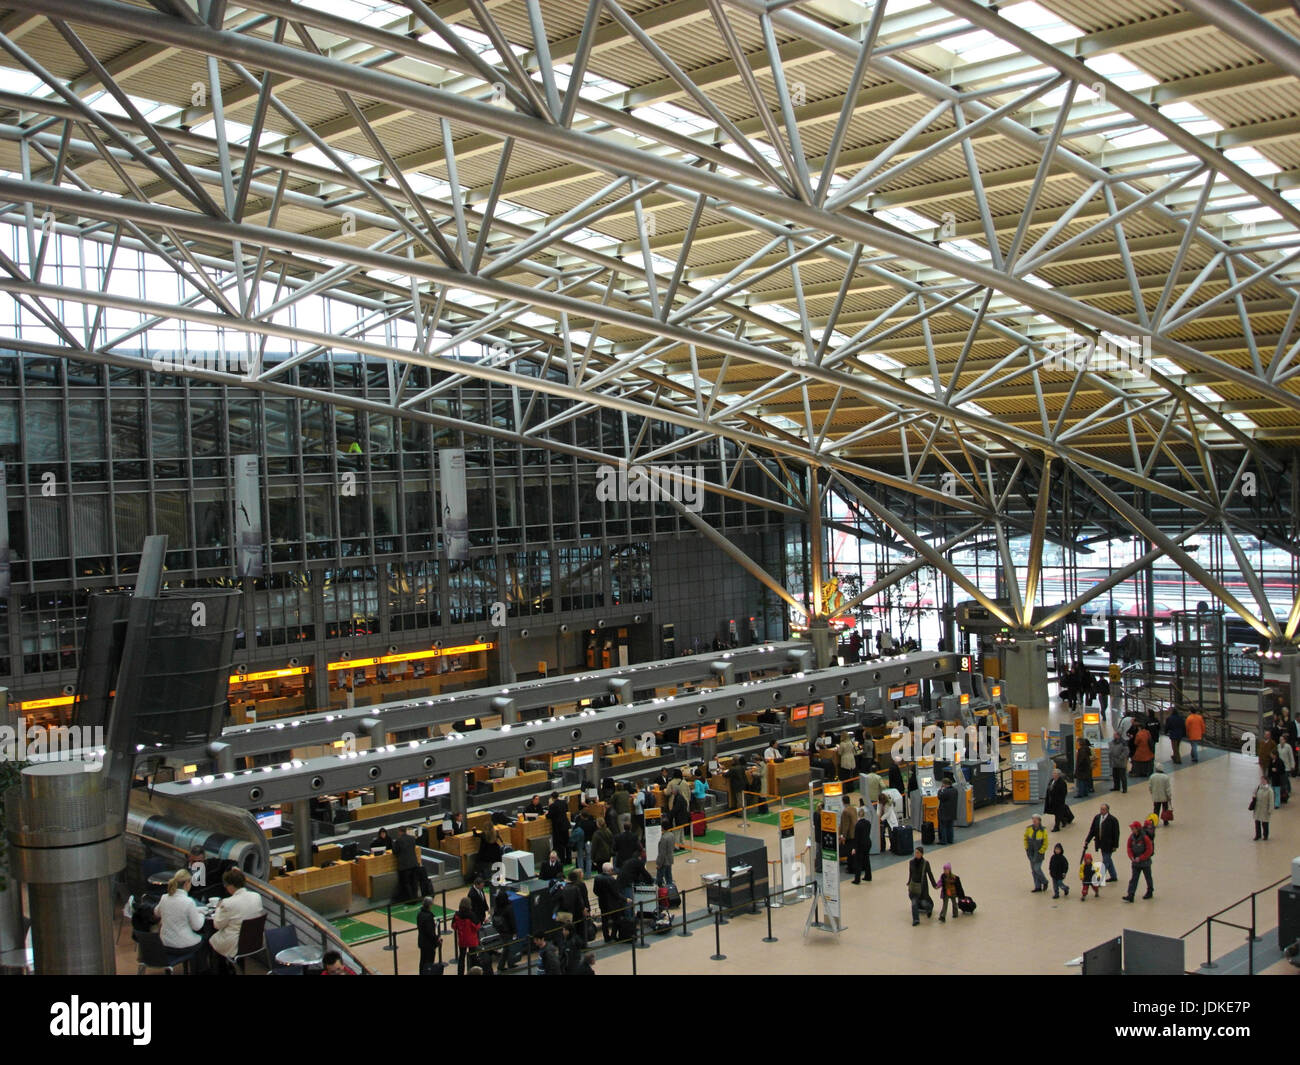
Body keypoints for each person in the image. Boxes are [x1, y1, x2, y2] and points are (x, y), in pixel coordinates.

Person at [210, 867, 264, 965]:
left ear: (230, 886)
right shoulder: (257, 896)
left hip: (236, 944)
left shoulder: (228, 903)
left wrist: (218, 908)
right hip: (255, 940)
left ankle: (221, 970)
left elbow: (217, 925)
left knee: (211, 938)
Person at [154, 869, 206, 956]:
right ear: (186, 883)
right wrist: (201, 915)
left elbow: (157, 912)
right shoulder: (188, 902)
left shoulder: (164, 898)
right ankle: (200, 968)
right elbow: (197, 927)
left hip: (165, 944)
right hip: (182, 945)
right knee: (204, 938)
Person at [1082, 803, 1121, 883]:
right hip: (1100, 843)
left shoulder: (1113, 820)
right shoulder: (1097, 818)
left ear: (1107, 810)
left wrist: (1115, 845)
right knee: (1108, 859)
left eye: (1103, 809)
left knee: (1105, 861)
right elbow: (1092, 830)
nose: (1102, 811)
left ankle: (1099, 878)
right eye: (1101, 809)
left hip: (1109, 844)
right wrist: (1087, 840)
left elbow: (1116, 834)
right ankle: (1113, 876)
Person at [1122, 820, 1154, 902]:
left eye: (1133, 828)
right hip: (1135, 863)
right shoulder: (1131, 837)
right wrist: (1131, 856)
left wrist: (1141, 858)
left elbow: (1149, 850)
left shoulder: (1145, 838)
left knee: (1148, 878)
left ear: (1138, 829)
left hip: (1145, 863)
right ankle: (1131, 895)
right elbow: (1129, 848)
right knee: (1134, 879)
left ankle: (1150, 891)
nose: (1132, 830)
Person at [491, 883, 520, 970]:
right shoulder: (508, 908)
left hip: (500, 930)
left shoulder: (497, 907)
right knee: (508, 948)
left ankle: (507, 964)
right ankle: (504, 965)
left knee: (507, 948)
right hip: (508, 931)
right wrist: (515, 931)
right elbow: (512, 920)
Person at [592, 863, 624, 942]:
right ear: (609, 870)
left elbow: (595, 891)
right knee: (616, 919)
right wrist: (624, 899)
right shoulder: (611, 879)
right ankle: (613, 936)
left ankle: (606, 937)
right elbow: (615, 893)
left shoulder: (597, 878)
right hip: (612, 903)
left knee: (604, 921)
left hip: (602, 902)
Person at [906, 847, 937, 925]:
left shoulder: (925, 863)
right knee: (914, 904)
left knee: (924, 903)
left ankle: (929, 908)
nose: (916, 854)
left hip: (922, 888)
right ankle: (916, 920)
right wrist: (909, 882)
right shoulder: (911, 862)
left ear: (922, 854)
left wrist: (934, 884)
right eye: (915, 852)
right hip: (914, 888)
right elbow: (911, 873)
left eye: (918, 853)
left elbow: (930, 874)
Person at [451, 897, 480, 975]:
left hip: (462, 939)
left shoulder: (457, 915)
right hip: (472, 940)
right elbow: (477, 927)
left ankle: (460, 973)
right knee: (473, 957)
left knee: (461, 957)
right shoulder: (472, 915)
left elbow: (453, 926)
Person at [392, 826, 420, 901]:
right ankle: (415, 897)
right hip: (414, 863)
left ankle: (410, 899)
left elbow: (395, 852)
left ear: (400, 831)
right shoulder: (412, 838)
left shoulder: (398, 840)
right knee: (414, 882)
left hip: (404, 866)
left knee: (406, 883)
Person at [1024, 815, 1049, 893]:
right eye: (1033, 819)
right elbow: (1025, 838)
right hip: (1031, 852)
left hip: (1039, 853)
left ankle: (1045, 881)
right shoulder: (1029, 829)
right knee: (1033, 870)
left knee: (1037, 868)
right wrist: (1026, 848)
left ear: (1039, 821)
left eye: (1036, 820)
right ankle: (1037, 886)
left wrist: (1041, 851)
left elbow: (1045, 842)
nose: (1034, 821)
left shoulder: (1043, 830)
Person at [417, 896, 441, 974]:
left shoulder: (420, 914)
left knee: (422, 961)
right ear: (429, 905)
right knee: (429, 963)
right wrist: (437, 939)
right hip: (428, 944)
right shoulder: (428, 917)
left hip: (422, 942)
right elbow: (430, 932)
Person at [1043, 767, 1071, 831]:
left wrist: (1060, 800)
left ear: (1058, 775)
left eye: (1055, 773)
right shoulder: (1051, 781)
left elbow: (1064, 792)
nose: (1053, 775)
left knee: (1057, 814)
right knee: (1056, 813)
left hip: (1058, 801)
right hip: (1051, 800)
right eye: (1053, 773)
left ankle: (1056, 827)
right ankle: (1064, 820)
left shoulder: (1062, 783)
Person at [547, 792, 571, 863]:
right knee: (567, 843)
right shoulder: (564, 802)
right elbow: (566, 810)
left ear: (552, 798)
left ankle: (562, 860)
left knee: (560, 845)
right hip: (565, 825)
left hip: (558, 827)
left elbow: (548, 816)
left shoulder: (552, 806)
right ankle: (569, 859)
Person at [851, 808, 873, 884]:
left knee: (858, 862)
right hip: (868, 843)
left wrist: (854, 848)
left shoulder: (858, 825)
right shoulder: (868, 823)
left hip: (860, 845)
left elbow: (856, 838)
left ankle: (857, 879)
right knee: (866, 860)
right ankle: (868, 876)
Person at [1251, 774, 1274, 841]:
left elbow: (1271, 801)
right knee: (1257, 822)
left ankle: (1265, 836)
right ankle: (1258, 835)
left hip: (1265, 809)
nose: (1262, 781)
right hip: (1258, 808)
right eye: (1261, 780)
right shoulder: (1258, 787)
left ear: (1267, 781)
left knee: (1265, 823)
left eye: (1263, 780)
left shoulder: (1270, 791)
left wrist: (1270, 810)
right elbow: (1254, 794)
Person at [936, 776, 957, 845]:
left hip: (944, 812)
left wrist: (940, 790)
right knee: (950, 826)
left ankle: (943, 841)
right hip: (952, 812)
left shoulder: (945, 792)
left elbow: (939, 796)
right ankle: (950, 840)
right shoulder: (955, 790)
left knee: (943, 827)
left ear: (945, 784)